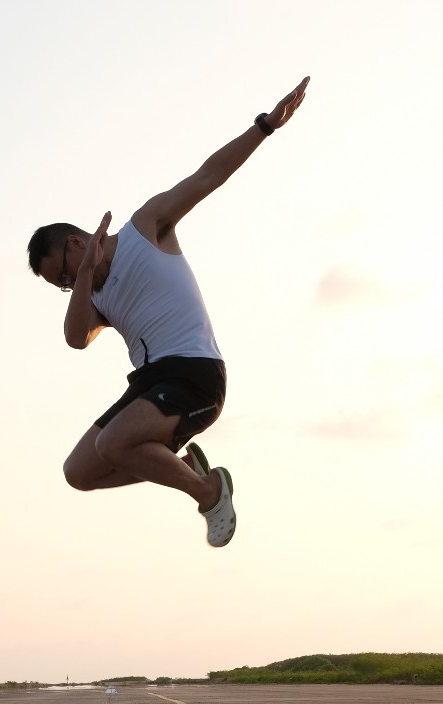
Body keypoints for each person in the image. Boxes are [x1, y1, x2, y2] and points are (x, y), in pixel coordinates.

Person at [28, 77, 310, 547]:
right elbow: (76, 339)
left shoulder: (145, 229)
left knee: (113, 444)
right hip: (151, 383)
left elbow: (207, 176)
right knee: (79, 472)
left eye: (63, 274)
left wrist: (264, 126)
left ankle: (208, 491)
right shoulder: (91, 296)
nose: (67, 286)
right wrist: (81, 280)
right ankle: (188, 472)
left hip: (196, 372)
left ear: (77, 242)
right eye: (60, 286)